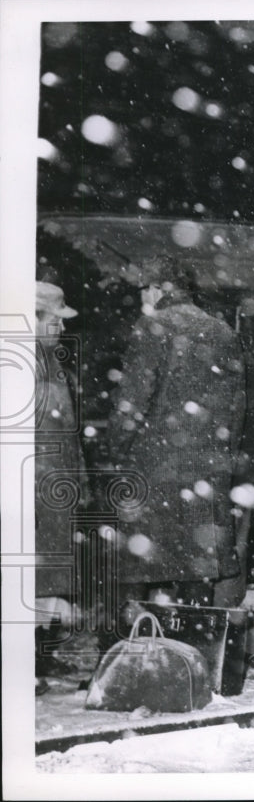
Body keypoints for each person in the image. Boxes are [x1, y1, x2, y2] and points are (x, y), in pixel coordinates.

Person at [105, 256, 248, 617]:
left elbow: (132, 402)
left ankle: (140, 652)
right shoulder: (223, 332)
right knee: (197, 569)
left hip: (156, 469)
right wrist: (223, 458)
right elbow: (236, 408)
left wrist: (115, 448)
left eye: (143, 290)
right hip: (206, 470)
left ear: (156, 290)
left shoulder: (153, 326)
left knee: (141, 566)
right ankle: (195, 649)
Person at [34, 281, 90, 693]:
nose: (59, 327)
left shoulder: (51, 361)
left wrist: (78, 481)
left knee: (49, 578)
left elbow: (66, 431)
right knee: (30, 578)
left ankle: (39, 659)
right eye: (54, 319)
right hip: (33, 487)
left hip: (55, 486)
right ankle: (25, 666)